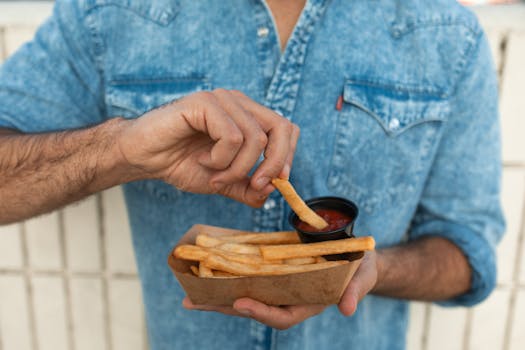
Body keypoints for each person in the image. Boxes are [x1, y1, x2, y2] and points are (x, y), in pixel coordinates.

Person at [0, 0, 505, 349]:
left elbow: (468, 252)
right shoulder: (109, 14)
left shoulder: (448, 36)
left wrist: (366, 271)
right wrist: (120, 148)